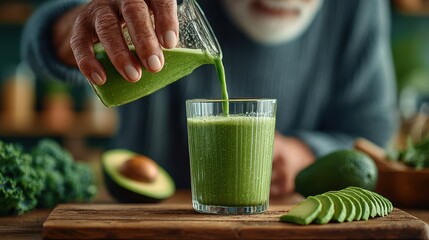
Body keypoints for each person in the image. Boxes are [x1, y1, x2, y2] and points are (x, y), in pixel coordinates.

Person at [21, 0, 397, 196]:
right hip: (140, 219)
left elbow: (373, 140)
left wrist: (307, 156)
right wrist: (78, 29)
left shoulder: (357, 7)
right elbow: (36, 48)